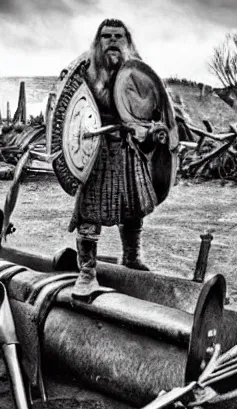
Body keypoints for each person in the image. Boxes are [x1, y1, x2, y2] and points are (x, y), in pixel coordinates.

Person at [68, 19, 177, 299]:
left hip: (129, 149)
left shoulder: (137, 72)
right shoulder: (84, 72)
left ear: (127, 41)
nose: (113, 40)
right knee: (90, 213)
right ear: (98, 41)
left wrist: (152, 131)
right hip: (95, 151)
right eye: (107, 36)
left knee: (134, 208)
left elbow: (152, 114)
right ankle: (87, 271)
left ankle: (131, 257)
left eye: (119, 36)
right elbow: (70, 109)